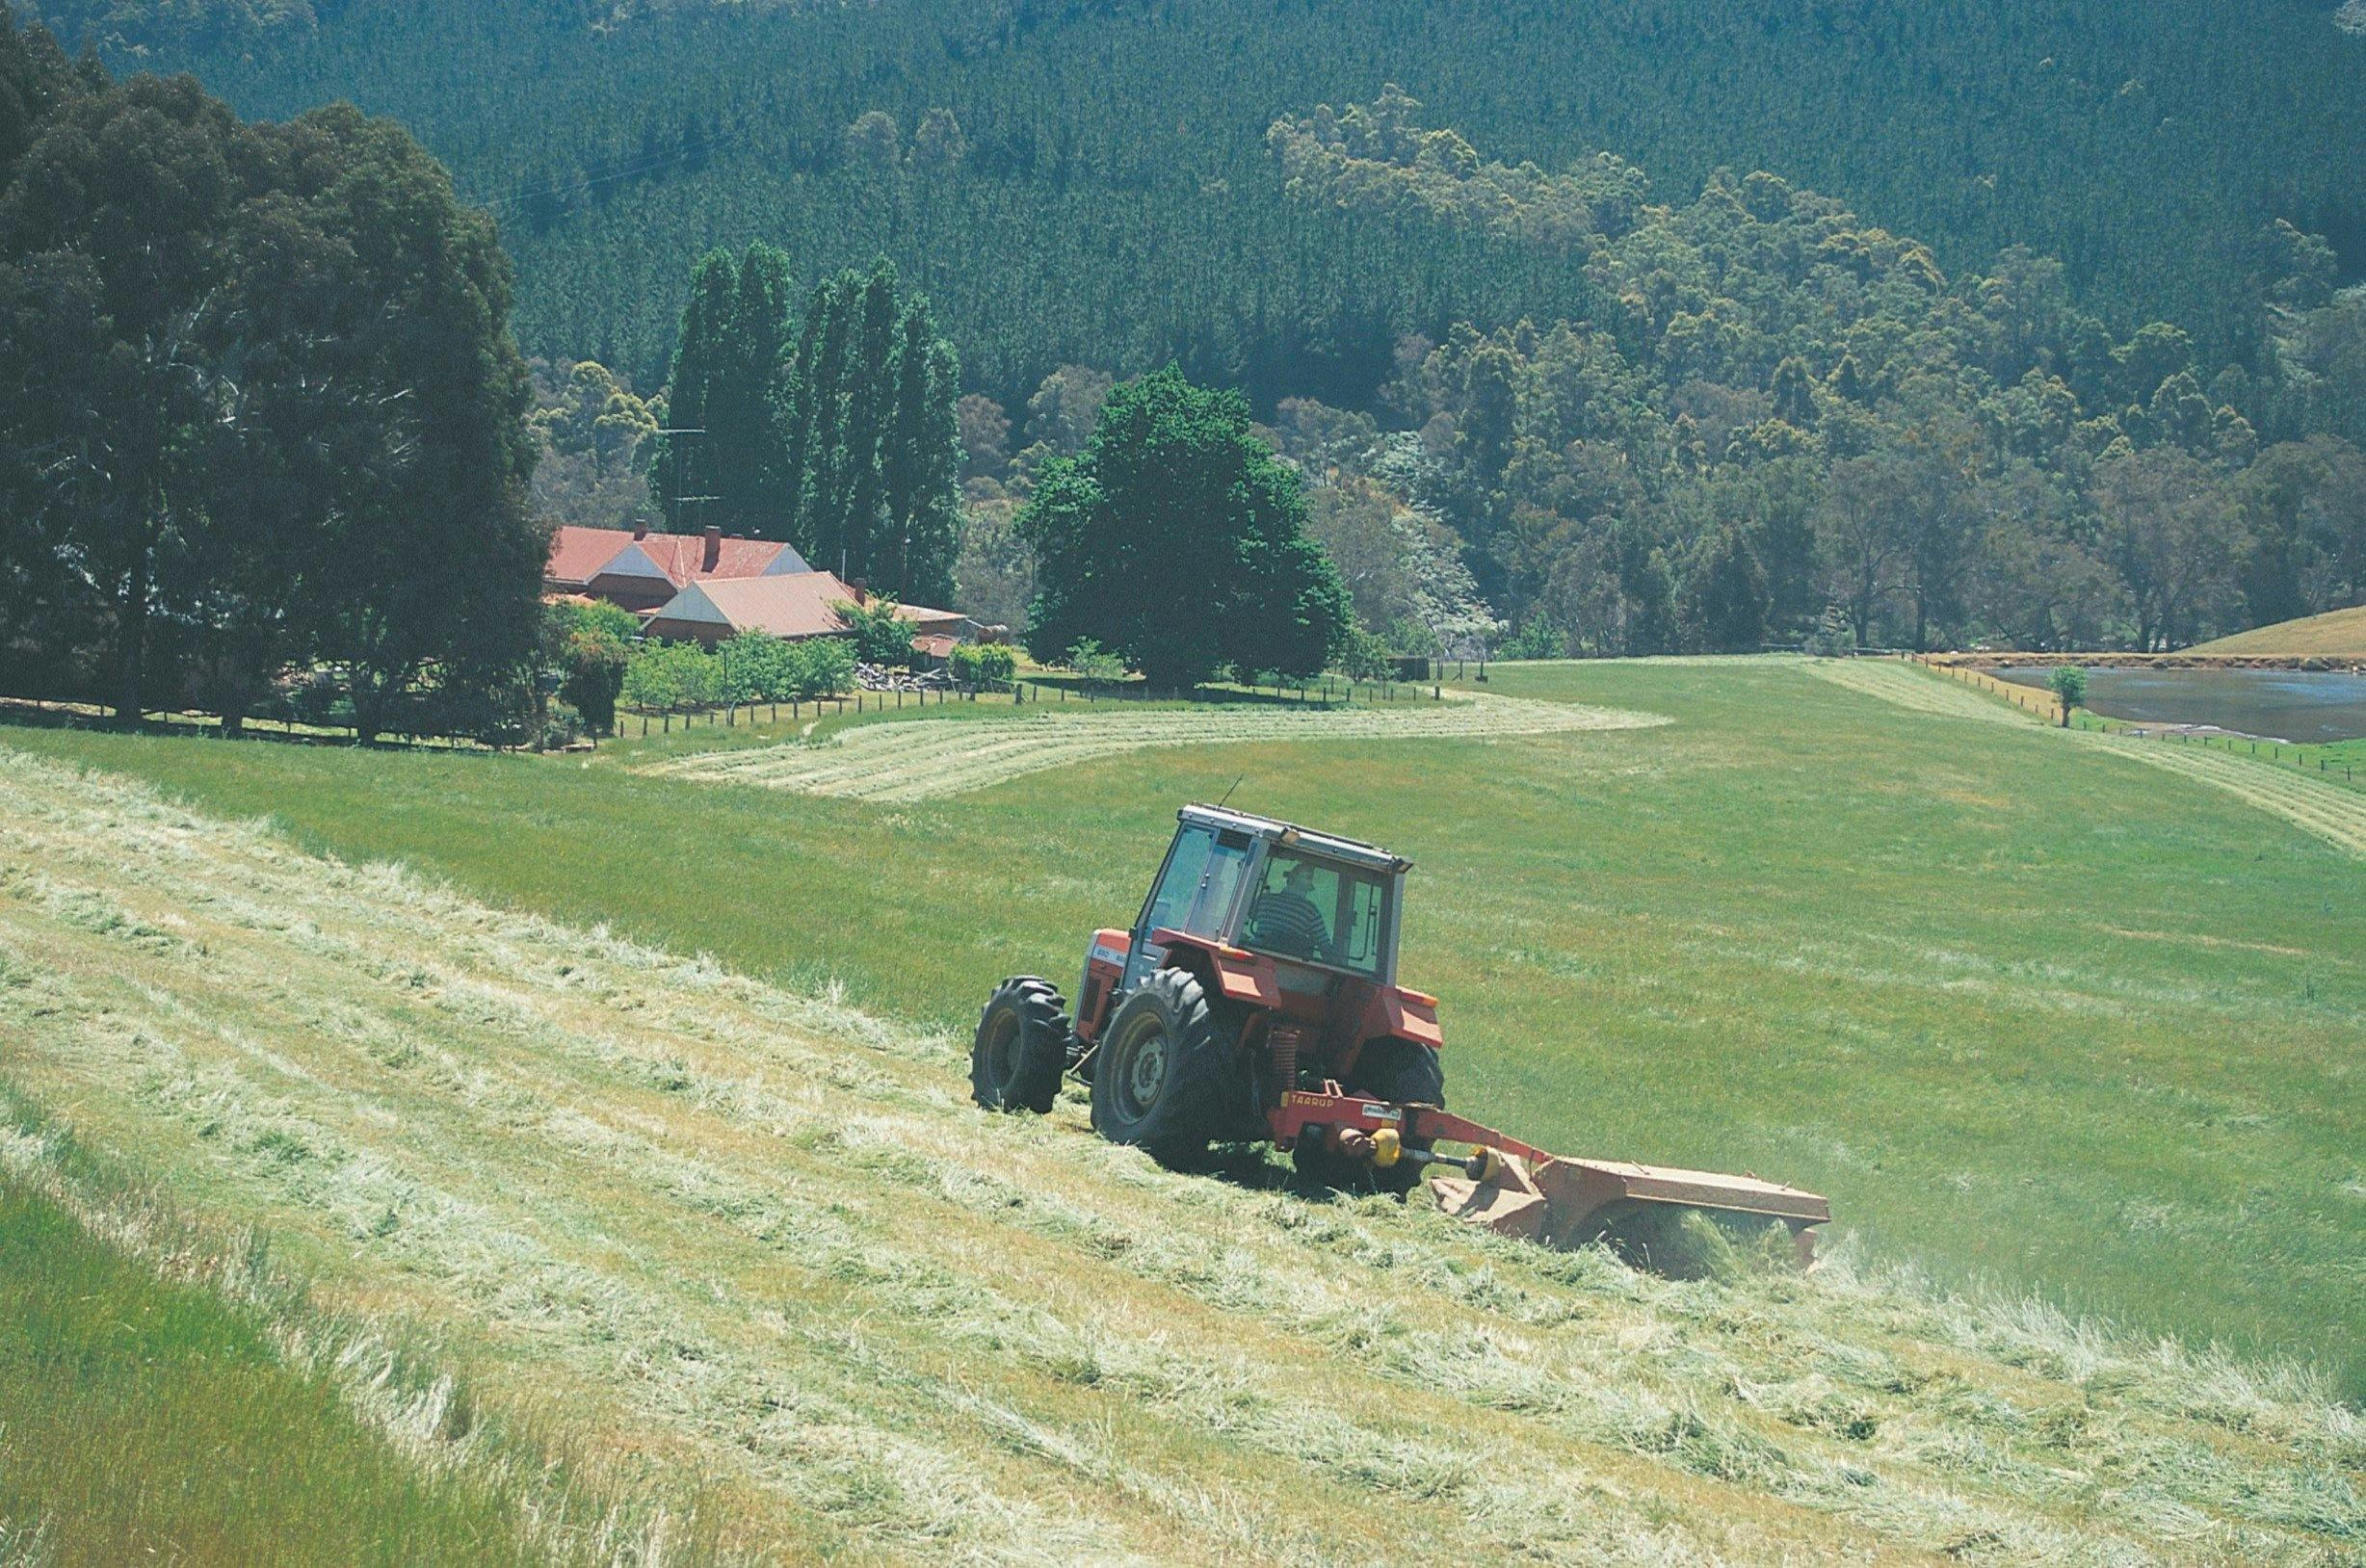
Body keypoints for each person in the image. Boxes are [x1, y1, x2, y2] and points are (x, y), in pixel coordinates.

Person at [1246, 860, 1332, 962]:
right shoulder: (1310, 911)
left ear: (1289, 880)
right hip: (1289, 962)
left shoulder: (1264, 900)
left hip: (1256, 956)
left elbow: (1248, 915)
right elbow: (1325, 947)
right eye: (1308, 878)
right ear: (1309, 888)